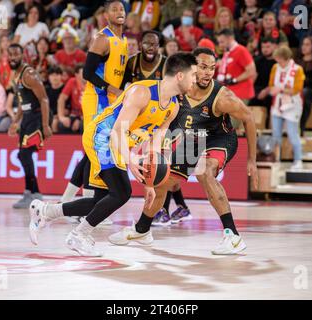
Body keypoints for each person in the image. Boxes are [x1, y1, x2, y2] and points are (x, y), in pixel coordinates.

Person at [28, 52, 198, 257]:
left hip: (117, 143)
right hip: (103, 136)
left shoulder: (173, 106)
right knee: (121, 192)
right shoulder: (141, 92)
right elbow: (117, 131)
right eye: (194, 75)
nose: (195, 80)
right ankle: (78, 235)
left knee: (101, 200)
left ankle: (44, 211)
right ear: (180, 75)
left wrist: (149, 183)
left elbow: (154, 146)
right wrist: (131, 159)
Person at [108, 47, 258, 255]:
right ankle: (142, 229)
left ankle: (232, 236)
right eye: (203, 67)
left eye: (212, 69)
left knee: (205, 172)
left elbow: (249, 117)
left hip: (218, 138)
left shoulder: (223, 97)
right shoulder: (179, 91)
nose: (207, 73)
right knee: (160, 181)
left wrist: (252, 160)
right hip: (190, 139)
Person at [60, 0, 128, 204]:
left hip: (111, 101)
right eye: (114, 9)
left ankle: (70, 201)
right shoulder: (102, 39)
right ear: (106, 15)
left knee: (95, 151)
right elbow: (87, 72)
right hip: (96, 99)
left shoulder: (123, 40)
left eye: (122, 9)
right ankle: (83, 202)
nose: (119, 12)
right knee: (95, 149)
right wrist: (111, 89)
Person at [7, 43, 53, 209]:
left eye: (16, 54)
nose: (13, 57)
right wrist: (15, 121)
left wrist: (46, 125)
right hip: (27, 117)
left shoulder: (29, 74)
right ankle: (30, 192)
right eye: (10, 55)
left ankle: (34, 194)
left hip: (38, 116)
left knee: (25, 155)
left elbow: (44, 99)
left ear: (23, 56)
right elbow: (22, 102)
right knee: (22, 155)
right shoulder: (16, 75)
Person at [268, 46, 305, 169]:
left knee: (292, 134)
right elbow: (271, 85)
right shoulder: (275, 68)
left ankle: (298, 160)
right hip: (278, 104)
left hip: (292, 105)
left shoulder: (298, 70)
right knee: (276, 134)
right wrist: (273, 90)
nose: (277, 62)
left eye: (279, 59)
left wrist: (281, 89)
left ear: (286, 58)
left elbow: (296, 89)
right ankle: (276, 159)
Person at [216, 28, 257, 105]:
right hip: (232, 93)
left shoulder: (241, 50)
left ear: (230, 38)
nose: (220, 45)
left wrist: (235, 80)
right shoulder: (228, 51)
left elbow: (252, 71)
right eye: (219, 42)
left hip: (241, 94)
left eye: (222, 42)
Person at [249, 37, 278, 125]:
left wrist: (266, 90)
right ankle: (254, 126)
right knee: (252, 99)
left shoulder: (278, 62)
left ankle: (268, 126)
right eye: (263, 47)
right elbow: (253, 78)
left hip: (273, 88)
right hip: (258, 88)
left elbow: (277, 82)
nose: (265, 50)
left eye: (268, 47)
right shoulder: (258, 60)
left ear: (275, 47)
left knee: (268, 98)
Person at [57, 64, 84, 134]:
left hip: (87, 115)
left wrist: (81, 119)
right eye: (83, 73)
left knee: (82, 125)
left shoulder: (92, 83)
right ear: (76, 74)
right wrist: (61, 117)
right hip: (74, 114)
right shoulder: (72, 81)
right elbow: (61, 99)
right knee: (62, 124)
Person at [45, 66, 64, 133]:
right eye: (52, 75)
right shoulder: (46, 90)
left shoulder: (65, 89)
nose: (54, 77)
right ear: (49, 77)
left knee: (55, 123)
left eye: (57, 75)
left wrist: (58, 116)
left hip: (62, 115)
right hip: (49, 115)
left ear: (61, 76)